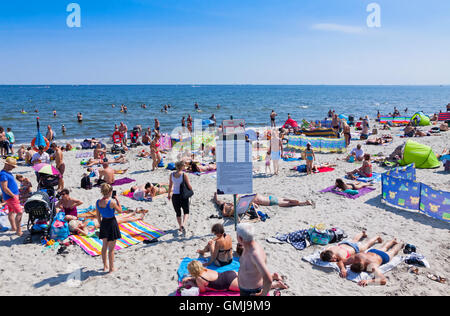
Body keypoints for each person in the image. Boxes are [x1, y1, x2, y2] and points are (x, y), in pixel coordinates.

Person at [181, 260, 287, 294]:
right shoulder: (204, 269)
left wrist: (192, 283)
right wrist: (191, 279)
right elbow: (205, 277)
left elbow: (202, 291)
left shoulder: (199, 278)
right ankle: (272, 275)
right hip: (229, 273)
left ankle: (275, 284)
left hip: (228, 282)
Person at [236, 223, 272, 296]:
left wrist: (262, 295)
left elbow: (268, 279)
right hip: (245, 289)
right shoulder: (247, 247)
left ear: (240, 238)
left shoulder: (255, 255)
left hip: (251, 292)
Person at [95, 184, 122, 273]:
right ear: (110, 192)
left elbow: (98, 216)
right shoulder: (112, 202)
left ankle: (105, 266)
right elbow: (120, 211)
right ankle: (111, 269)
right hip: (111, 223)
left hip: (104, 223)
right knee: (111, 249)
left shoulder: (98, 202)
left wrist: (100, 225)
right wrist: (117, 199)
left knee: (104, 246)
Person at [66, 211, 144, 237]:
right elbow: (86, 234)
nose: (79, 221)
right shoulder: (85, 228)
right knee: (123, 220)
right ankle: (138, 218)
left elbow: (73, 218)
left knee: (119, 217)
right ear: (78, 226)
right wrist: (79, 229)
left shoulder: (83, 223)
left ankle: (132, 213)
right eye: (78, 223)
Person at [168, 161, 193, 234]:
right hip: (183, 195)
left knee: (178, 212)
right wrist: (191, 189)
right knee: (186, 211)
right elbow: (189, 186)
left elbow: (170, 186)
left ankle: (180, 226)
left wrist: (169, 194)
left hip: (175, 196)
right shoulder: (184, 175)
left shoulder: (171, 175)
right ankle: (183, 224)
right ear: (182, 167)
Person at [0, 158, 23, 236]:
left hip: (10, 196)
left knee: (11, 212)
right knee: (20, 212)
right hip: (11, 197)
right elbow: (4, 188)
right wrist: (13, 196)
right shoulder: (3, 174)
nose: (13, 168)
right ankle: (18, 231)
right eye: (12, 166)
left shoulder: (6, 173)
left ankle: (14, 227)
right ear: (7, 165)